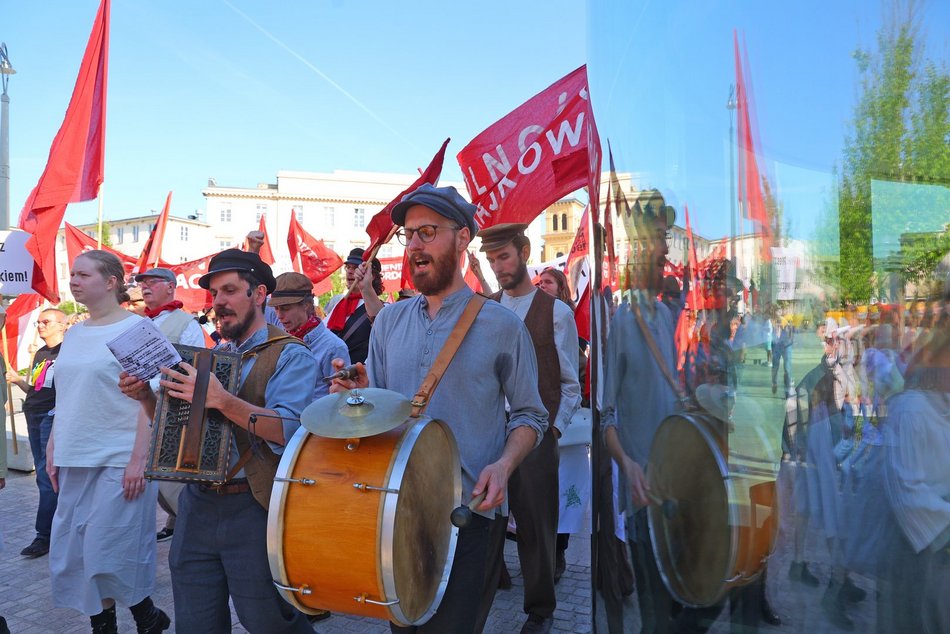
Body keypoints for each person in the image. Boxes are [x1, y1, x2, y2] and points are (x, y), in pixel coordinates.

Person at [330, 183, 548, 634]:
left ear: (462, 238)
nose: (414, 246)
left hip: (469, 517)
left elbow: (531, 415)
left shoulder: (503, 325)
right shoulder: (388, 321)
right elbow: (381, 410)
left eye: (427, 232)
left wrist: (504, 465)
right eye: (409, 235)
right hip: (396, 510)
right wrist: (361, 394)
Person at [119, 249, 316, 634]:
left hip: (253, 505)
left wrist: (223, 400)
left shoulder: (290, 354)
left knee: (268, 621)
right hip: (197, 505)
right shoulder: (212, 356)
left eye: (229, 291)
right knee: (196, 623)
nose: (219, 302)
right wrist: (144, 397)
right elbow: (175, 429)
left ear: (259, 294)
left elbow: (289, 429)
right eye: (214, 294)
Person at [47, 250, 169, 634]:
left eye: (84, 274)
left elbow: (155, 397)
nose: (74, 280)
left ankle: (144, 615)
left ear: (112, 281)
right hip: (75, 455)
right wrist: (53, 446)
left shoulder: (138, 330)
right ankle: (119, 622)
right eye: (73, 274)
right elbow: (67, 394)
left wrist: (139, 459)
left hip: (119, 456)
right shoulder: (75, 333)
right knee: (77, 552)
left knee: (109, 549)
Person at [477, 224, 581, 634]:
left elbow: (570, 383)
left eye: (503, 257)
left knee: (537, 526)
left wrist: (553, 431)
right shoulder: (485, 309)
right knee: (484, 522)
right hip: (489, 432)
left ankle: (540, 609)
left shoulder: (556, 312)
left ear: (524, 252)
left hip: (536, 433)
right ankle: (483, 594)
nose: (498, 266)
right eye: (491, 260)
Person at [133, 267, 206, 544]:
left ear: (171, 287)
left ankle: (189, 529)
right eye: (143, 283)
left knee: (171, 482)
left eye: (153, 282)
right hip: (136, 411)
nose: (146, 287)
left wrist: (150, 386)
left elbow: (192, 367)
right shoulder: (139, 323)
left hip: (169, 413)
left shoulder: (187, 323)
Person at [5, 308, 67, 559]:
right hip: (33, 413)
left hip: (51, 416)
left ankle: (45, 535)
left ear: (62, 325)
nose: (40, 326)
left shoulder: (68, 352)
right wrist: (17, 380)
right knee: (47, 473)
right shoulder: (40, 353)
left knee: (46, 474)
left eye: (46, 322)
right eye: (38, 322)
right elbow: (36, 388)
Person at [269, 271, 349, 400]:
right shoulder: (279, 341)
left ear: (306, 305)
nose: (279, 315)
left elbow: (342, 399)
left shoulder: (333, 347)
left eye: (285, 308)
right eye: (276, 309)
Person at [325, 248, 386, 363]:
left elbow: (384, 335)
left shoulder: (383, 308)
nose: (349, 271)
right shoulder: (339, 304)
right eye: (348, 267)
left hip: (358, 371)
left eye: (355, 268)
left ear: (372, 275)